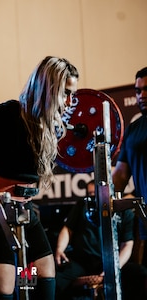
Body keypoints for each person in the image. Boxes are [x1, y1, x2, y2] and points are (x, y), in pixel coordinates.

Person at [0, 56, 79, 299]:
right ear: (48, 89)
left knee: (43, 277)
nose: (70, 102)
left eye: (74, 95)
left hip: (24, 212)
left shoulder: (48, 128)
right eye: (65, 93)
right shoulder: (6, 114)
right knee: (3, 286)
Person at [55, 179, 147, 300]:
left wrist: (115, 267)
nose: (93, 197)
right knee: (56, 279)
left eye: (95, 193)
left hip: (111, 262)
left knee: (140, 273)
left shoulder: (125, 212)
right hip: (82, 261)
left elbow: (127, 244)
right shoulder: (83, 205)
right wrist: (60, 249)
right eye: (90, 194)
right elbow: (67, 229)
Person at [112, 67, 147, 266]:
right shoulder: (133, 129)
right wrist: (102, 199)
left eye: (146, 89)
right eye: (138, 90)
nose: (141, 95)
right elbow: (120, 176)